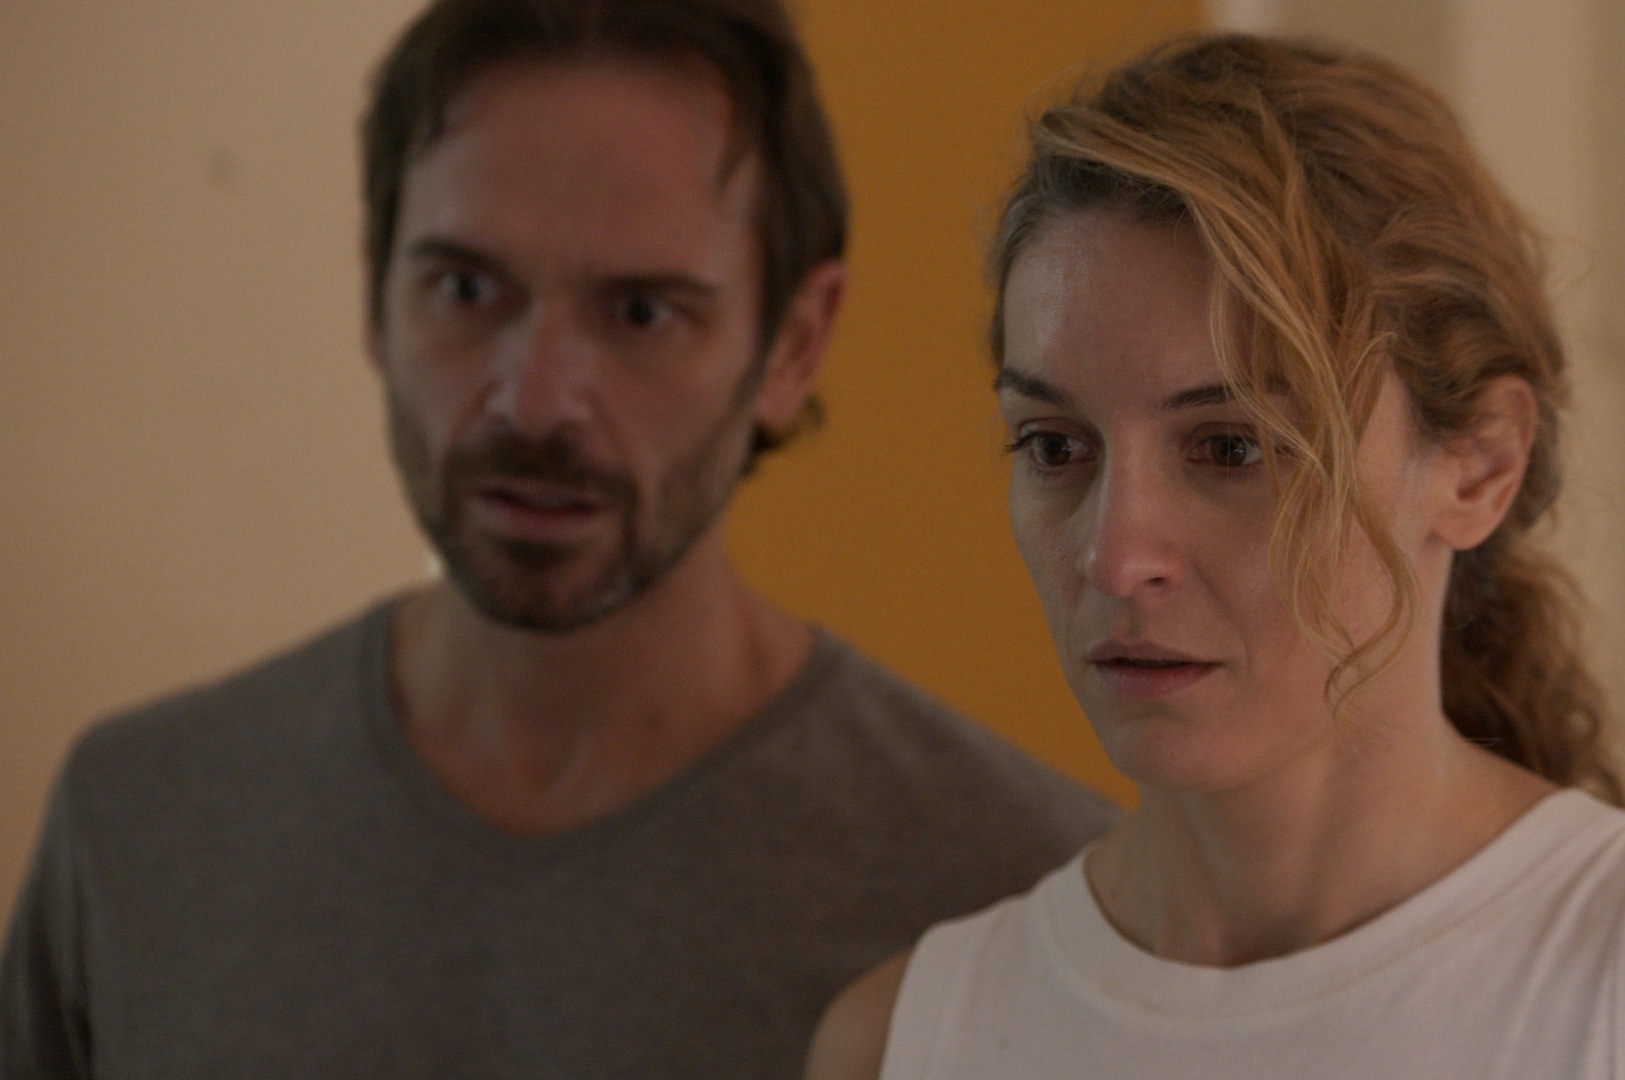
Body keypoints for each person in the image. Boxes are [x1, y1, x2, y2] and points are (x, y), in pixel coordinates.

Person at [0, 0, 1116, 1075]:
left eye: (641, 313)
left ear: (794, 343)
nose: (534, 400)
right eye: (466, 288)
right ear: (375, 292)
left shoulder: (1023, 907)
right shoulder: (138, 822)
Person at [806, 33, 1625, 1080]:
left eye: (1234, 447)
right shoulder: (906, 1040)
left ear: (1479, 465)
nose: (1114, 555)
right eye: (1056, 447)